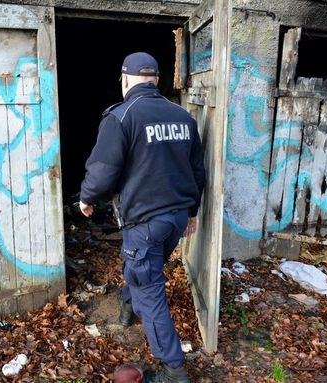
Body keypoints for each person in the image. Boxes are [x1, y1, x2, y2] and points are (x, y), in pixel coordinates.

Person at [79, 52, 205, 383]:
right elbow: (196, 171)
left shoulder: (121, 117)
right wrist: (191, 212)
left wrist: (88, 197)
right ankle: (126, 302)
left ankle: (174, 370)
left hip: (146, 224)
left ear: (124, 80)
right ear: (157, 81)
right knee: (142, 271)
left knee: (150, 290)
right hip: (175, 219)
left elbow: (103, 169)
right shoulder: (184, 117)